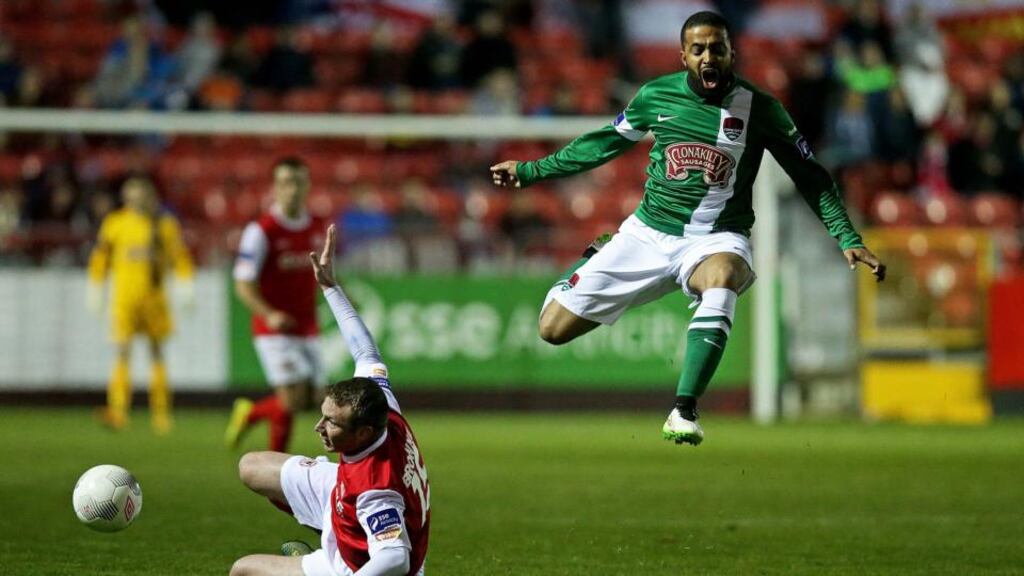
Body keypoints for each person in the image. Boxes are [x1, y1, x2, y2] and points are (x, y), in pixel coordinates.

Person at [490, 11, 886, 446]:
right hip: (646, 233)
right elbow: (603, 143)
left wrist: (847, 236)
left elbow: (810, 174)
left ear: (731, 52)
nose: (708, 56)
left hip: (717, 237)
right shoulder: (655, 96)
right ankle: (593, 257)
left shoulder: (762, 109)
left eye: (717, 47)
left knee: (723, 278)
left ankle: (684, 409)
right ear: (683, 56)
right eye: (698, 49)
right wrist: (531, 171)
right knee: (553, 329)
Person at [230, 224, 430, 576]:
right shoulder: (381, 403)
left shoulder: (375, 491)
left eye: (331, 423)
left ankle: (322, 556)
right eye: (324, 415)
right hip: (343, 488)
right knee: (251, 467)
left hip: (357, 565)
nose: (318, 427)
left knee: (243, 570)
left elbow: (395, 559)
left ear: (364, 432)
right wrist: (330, 287)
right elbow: (366, 350)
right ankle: (330, 525)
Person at [226, 157, 327, 452]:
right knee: (291, 398)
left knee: (316, 399)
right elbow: (243, 284)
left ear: (308, 186)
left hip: (307, 325)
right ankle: (278, 466)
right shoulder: (262, 231)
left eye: (298, 182)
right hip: (274, 329)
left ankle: (251, 413)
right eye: (285, 183)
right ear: (275, 187)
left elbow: (324, 272)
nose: (292, 189)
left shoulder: (318, 227)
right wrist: (269, 314)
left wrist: (345, 297)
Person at [86, 175, 195, 433]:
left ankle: (161, 414)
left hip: (154, 300)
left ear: (151, 197)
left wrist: (185, 283)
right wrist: (96, 286)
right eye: (131, 196)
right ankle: (118, 411)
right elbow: (101, 257)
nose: (136, 200)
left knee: (156, 352)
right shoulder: (115, 223)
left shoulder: (165, 225)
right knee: (123, 351)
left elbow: (180, 257)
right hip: (124, 300)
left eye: (141, 195)